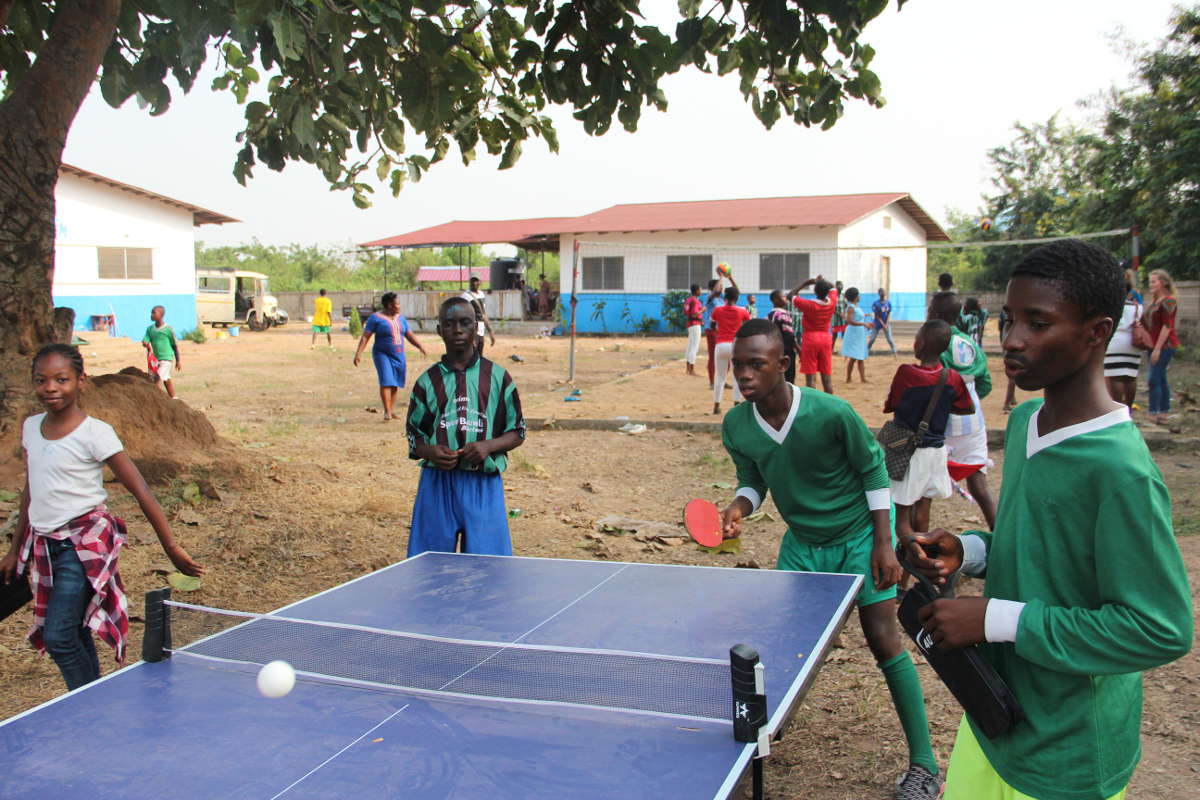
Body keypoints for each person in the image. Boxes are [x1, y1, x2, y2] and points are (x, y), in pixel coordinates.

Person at [907, 239, 1192, 800]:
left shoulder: (1119, 471)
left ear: (1095, 332)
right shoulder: (1028, 420)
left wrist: (996, 620)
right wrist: (972, 551)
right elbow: (1040, 546)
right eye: (1008, 319)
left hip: (1068, 753)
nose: (1010, 340)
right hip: (997, 717)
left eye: (1037, 324)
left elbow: (1160, 628)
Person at [720, 320, 943, 800]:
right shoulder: (737, 425)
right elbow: (753, 480)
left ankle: (924, 763)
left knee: (884, 641)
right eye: (738, 364)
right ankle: (764, 735)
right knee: (789, 648)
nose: (744, 374)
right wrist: (738, 508)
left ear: (783, 364)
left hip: (859, 538)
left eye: (756, 364)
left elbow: (874, 468)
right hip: (802, 545)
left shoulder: (831, 413)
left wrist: (884, 542)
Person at [0, 345, 203, 691]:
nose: (51, 388)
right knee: (73, 629)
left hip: (83, 546)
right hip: (44, 545)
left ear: (81, 381)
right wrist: (13, 549)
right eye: (41, 380)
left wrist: (171, 546)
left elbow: (141, 491)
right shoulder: (31, 427)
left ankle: (89, 703)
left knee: (59, 635)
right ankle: (95, 696)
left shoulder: (95, 433)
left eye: (61, 379)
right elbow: (32, 489)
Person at [405, 297, 526, 556]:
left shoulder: (497, 378)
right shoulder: (427, 382)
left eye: (464, 323)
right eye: (449, 324)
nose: (457, 330)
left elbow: (518, 431)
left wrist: (488, 446)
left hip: (483, 483)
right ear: (439, 330)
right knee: (430, 565)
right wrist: (429, 452)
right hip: (437, 484)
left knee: (488, 568)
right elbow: (414, 436)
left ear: (476, 327)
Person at [884, 320, 973, 538]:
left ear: (921, 343)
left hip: (908, 453)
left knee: (901, 515)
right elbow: (966, 407)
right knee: (923, 511)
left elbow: (891, 405)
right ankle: (914, 568)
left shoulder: (906, 373)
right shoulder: (951, 377)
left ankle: (905, 559)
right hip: (935, 451)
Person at [928, 293, 997, 530]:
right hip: (972, 420)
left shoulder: (934, 342)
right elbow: (985, 383)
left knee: (921, 487)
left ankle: (915, 547)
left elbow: (929, 381)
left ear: (935, 315)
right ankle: (999, 536)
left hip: (940, 420)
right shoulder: (970, 344)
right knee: (979, 483)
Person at [353, 292, 427, 421]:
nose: (399, 306)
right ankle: (387, 411)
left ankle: (391, 410)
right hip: (382, 354)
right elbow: (366, 336)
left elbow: (409, 335)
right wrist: (358, 353)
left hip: (398, 354)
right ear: (388, 305)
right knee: (386, 380)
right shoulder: (375, 318)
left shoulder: (401, 318)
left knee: (395, 383)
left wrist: (420, 346)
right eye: (396, 304)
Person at [787, 275, 838, 394]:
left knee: (810, 378)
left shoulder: (809, 305)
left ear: (814, 291)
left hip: (810, 339)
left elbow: (790, 295)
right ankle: (830, 404)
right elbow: (833, 288)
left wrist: (806, 282)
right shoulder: (832, 302)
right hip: (826, 339)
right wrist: (823, 281)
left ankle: (813, 404)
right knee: (826, 377)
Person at [1103, 270, 1143, 410]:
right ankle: (1129, 407)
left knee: (1114, 377)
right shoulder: (1137, 306)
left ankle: (1118, 407)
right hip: (1133, 345)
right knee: (1130, 377)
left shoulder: (1111, 306)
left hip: (1114, 343)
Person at [710, 286, 751, 414]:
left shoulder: (717, 310)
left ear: (725, 297)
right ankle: (736, 405)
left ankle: (716, 406)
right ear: (737, 298)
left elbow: (712, 326)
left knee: (720, 377)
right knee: (737, 376)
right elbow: (747, 326)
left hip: (721, 344)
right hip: (736, 345)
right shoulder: (742, 311)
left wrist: (721, 331)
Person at [1146, 268, 1179, 426]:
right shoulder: (1154, 301)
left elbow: (1167, 326)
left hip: (1165, 345)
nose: (1150, 284)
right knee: (1161, 378)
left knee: (1153, 379)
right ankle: (1164, 412)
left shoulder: (1169, 301)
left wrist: (1158, 349)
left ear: (1163, 282)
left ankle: (1154, 411)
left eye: (1154, 281)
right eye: (1150, 281)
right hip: (1153, 344)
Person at [141, 305, 181, 399]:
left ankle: (156, 400)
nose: (151, 315)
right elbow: (145, 340)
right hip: (155, 360)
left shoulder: (168, 329)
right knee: (166, 378)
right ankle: (174, 398)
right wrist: (145, 343)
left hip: (166, 359)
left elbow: (174, 345)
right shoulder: (150, 329)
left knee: (157, 379)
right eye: (151, 312)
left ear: (161, 314)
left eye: (154, 312)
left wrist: (178, 361)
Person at [704, 271, 731, 388]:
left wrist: (730, 278)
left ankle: (722, 380)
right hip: (711, 330)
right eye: (720, 286)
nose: (722, 287)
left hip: (723, 331)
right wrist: (721, 277)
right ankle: (711, 382)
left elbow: (735, 291)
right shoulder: (709, 298)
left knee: (727, 358)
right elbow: (715, 291)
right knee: (713, 356)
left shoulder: (722, 299)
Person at [767, 289, 797, 384]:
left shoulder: (782, 314)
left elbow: (790, 334)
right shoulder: (777, 314)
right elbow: (787, 335)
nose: (786, 299)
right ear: (775, 300)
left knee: (786, 376)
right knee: (784, 376)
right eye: (783, 297)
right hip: (783, 350)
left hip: (783, 350)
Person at [840, 287, 870, 383]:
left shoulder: (854, 306)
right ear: (855, 296)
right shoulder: (851, 307)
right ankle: (849, 377)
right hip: (854, 334)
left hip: (859, 333)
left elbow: (853, 317)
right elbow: (849, 321)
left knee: (859, 356)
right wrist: (863, 324)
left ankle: (862, 378)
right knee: (854, 356)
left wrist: (866, 316)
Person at [461, 275, 496, 357]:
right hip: (471, 328)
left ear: (480, 282)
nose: (474, 283)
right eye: (472, 281)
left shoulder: (481, 294)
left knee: (479, 355)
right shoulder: (465, 296)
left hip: (481, 328)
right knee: (471, 354)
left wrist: (490, 332)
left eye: (476, 280)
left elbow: (483, 314)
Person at [868, 287, 898, 357]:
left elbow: (888, 313)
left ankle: (895, 353)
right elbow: (876, 316)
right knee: (872, 339)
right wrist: (882, 324)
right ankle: (866, 351)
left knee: (890, 339)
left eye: (884, 293)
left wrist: (886, 323)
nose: (883, 295)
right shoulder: (876, 304)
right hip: (877, 323)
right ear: (879, 294)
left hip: (886, 323)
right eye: (881, 294)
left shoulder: (888, 303)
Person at [682, 283, 704, 376]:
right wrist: (703, 310)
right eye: (700, 289)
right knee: (694, 347)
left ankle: (688, 369)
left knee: (690, 346)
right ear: (696, 291)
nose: (701, 291)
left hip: (690, 325)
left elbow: (686, 312)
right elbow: (695, 314)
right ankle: (692, 370)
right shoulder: (695, 301)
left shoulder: (689, 299)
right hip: (695, 325)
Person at [831, 280, 848, 352]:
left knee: (844, 335)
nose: (841, 287)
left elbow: (846, 305)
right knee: (834, 335)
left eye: (842, 285)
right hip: (835, 319)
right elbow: (831, 308)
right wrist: (839, 314)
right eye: (839, 285)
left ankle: (844, 350)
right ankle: (831, 350)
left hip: (843, 319)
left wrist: (844, 314)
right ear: (836, 287)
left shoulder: (844, 296)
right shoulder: (833, 296)